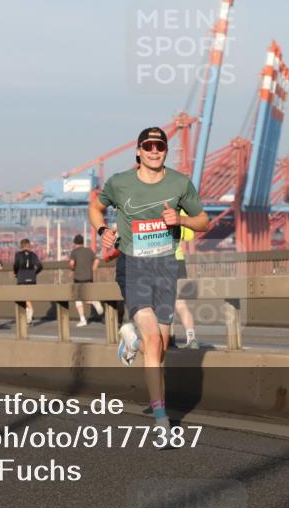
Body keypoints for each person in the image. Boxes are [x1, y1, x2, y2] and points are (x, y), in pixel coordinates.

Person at [89, 126, 209, 433]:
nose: (155, 150)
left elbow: (203, 221)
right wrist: (103, 231)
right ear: (138, 151)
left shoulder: (180, 183)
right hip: (134, 266)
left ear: (166, 151)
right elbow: (95, 206)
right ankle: (161, 421)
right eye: (148, 145)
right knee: (154, 341)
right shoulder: (120, 183)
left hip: (166, 266)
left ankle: (132, 337)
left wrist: (181, 219)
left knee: (160, 346)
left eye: (160, 146)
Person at [172, 210, 199, 348]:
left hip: (161, 261)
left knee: (159, 305)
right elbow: (188, 236)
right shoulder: (180, 211)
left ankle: (166, 340)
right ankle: (191, 337)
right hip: (179, 261)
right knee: (181, 304)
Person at [68, 233, 103, 326]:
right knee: (87, 296)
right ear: (82, 242)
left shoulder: (74, 252)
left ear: (75, 243)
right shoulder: (89, 251)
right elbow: (97, 260)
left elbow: (71, 263)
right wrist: (93, 268)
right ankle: (93, 301)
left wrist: (71, 269)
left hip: (78, 278)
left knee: (78, 299)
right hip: (89, 277)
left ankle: (83, 319)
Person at [13, 239, 43, 326]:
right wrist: (34, 272)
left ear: (21, 246)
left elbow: (16, 265)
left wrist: (16, 273)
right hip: (32, 278)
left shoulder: (18, 255)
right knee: (28, 298)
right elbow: (40, 266)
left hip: (22, 277)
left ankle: (29, 316)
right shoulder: (33, 255)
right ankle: (28, 318)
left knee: (23, 298)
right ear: (28, 245)